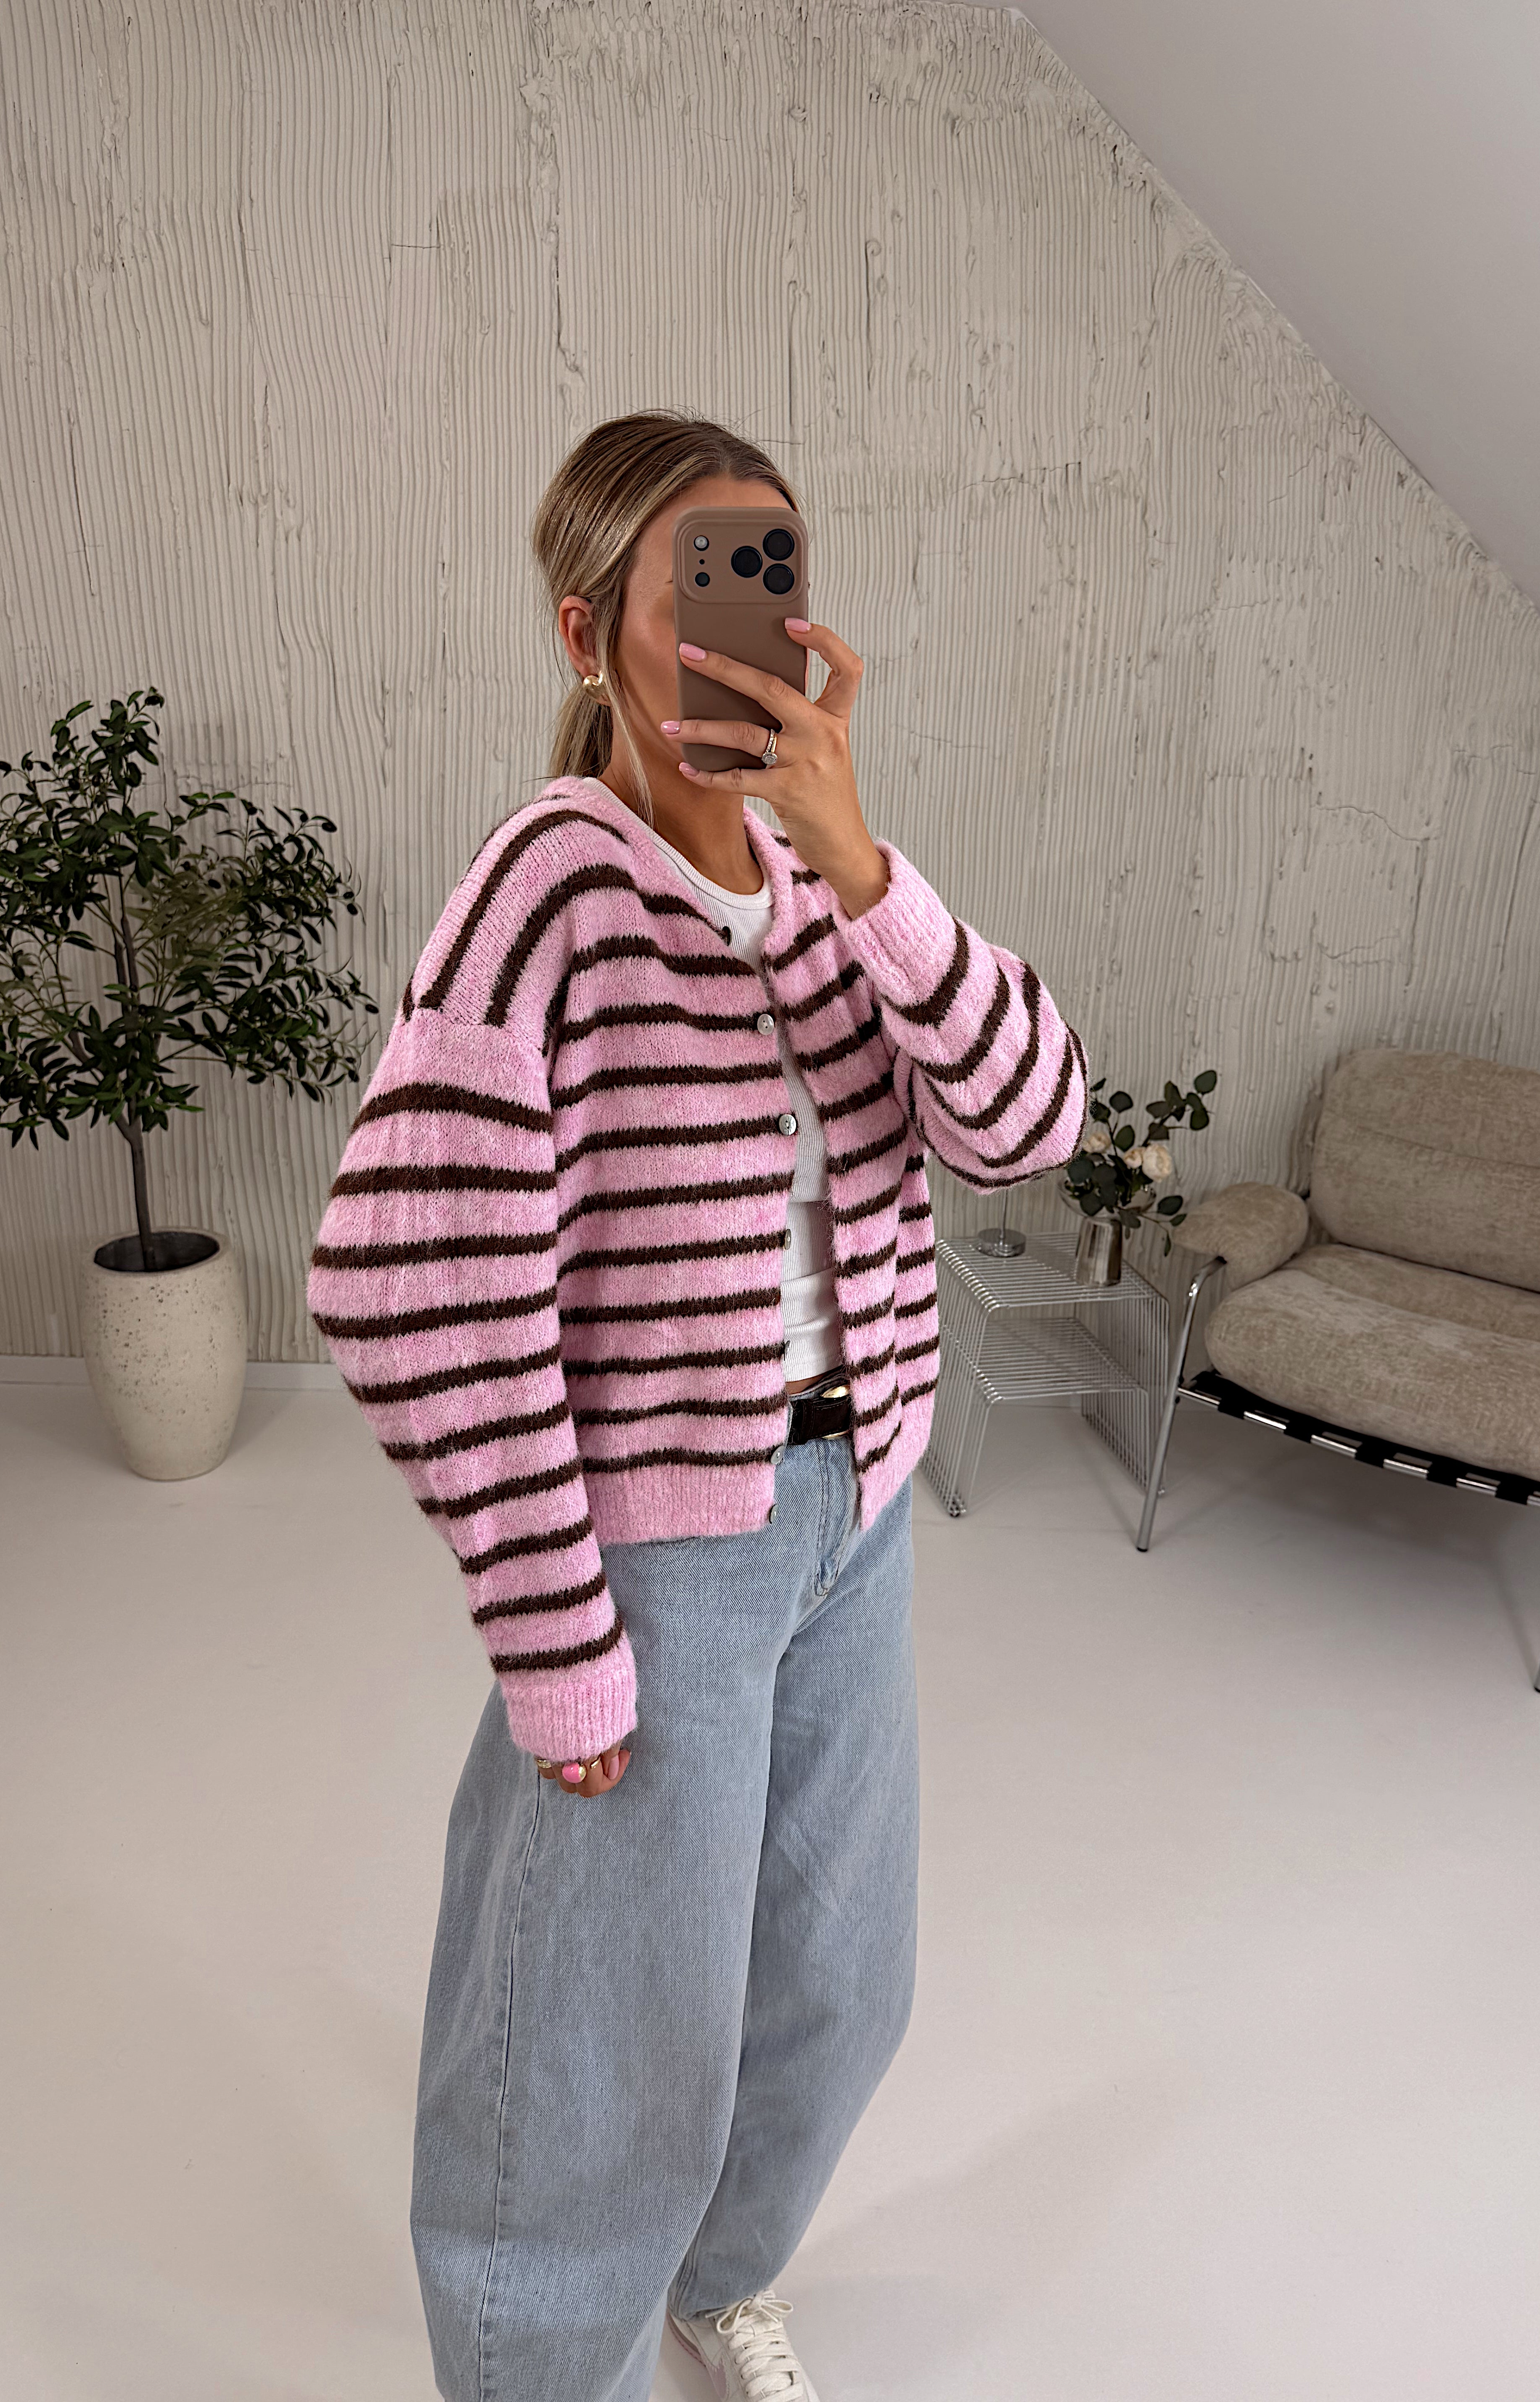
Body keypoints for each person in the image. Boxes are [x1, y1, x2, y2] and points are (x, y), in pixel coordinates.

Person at [307, 410, 1088, 2402]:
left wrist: (869, 865)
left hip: (855, 1516)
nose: (761, 624)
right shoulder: (546, 890)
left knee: (843, 1982)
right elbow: (407, 1283)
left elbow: (1028, 1127)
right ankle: (531, 2369)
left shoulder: (837, 895)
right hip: (661, 1559)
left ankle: (713, 2274)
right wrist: (555, 1635)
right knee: (594, 2043)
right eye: (710, 584)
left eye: (781, 576)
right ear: (591, 633)